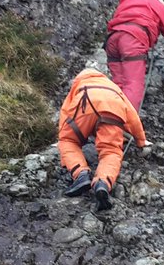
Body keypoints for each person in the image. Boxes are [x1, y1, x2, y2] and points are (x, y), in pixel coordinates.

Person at [58, 68, 149, 210]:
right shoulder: (112, 87)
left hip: (85, 101)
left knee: (68, 141)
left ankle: (81, 174)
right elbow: (133, 117)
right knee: (111, 151)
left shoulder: (79, 84)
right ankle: (102, 183)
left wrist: (63, 136)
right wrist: (141, 141)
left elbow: (65, 113)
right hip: (112, 107)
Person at [105, 0, 164, 110]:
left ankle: (110, 116)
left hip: (112, 39)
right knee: (133, 84)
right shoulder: (155, 3)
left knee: (118, 85)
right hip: (132, 39)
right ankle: (126, 120)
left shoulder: (128, 2)